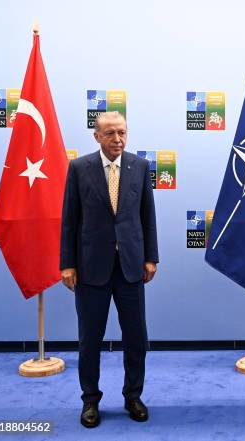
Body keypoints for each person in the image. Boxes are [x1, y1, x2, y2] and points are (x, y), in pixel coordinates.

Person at [60, 111, 158, 428]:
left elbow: (147, 216)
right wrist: (67, 264)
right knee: (90, 339)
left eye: (123, 133)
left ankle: (133, 396)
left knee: (136, 337)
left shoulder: (140, 167)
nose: (118, 139)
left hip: (130, 267)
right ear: (97, 137)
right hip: (91, 269)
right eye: (111, 133)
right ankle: (90, 400)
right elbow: (70, 220)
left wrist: (150, 257)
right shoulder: (78, 168)